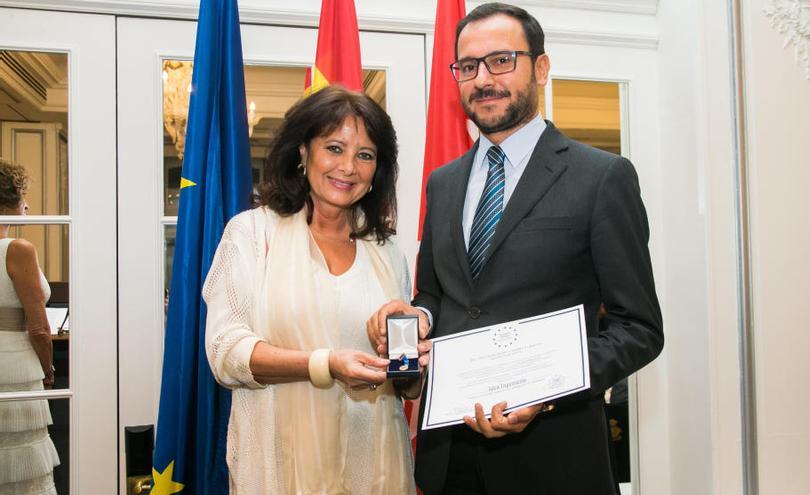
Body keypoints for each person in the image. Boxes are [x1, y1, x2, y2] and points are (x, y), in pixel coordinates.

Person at [368, 3, 663, 494]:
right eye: (468, 66)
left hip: (556, 460)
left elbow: (639, 329)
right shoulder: (444, 183)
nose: (483, 79)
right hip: (450, 462)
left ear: (541, 68)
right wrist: (420, 317)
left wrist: (544, 393)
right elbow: (438, 295)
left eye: (501, 60)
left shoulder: (601, 178)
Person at [203, 86, 428, 494]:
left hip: (375, 470)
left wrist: (411, 362)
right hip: (279, 470)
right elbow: (225, 353)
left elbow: (403, 383)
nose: (348, 167)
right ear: (303, 153)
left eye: (365, 155)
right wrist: (325, 364)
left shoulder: (387, 252)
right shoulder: (252, 235)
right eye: (335, 148)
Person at [0, 159, 60, 494]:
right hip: (13, 366)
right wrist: (48, 368)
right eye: (23, 196)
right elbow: (38, 327)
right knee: (21, 466)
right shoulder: (17, 249)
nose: (28, 205)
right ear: (8, 200)